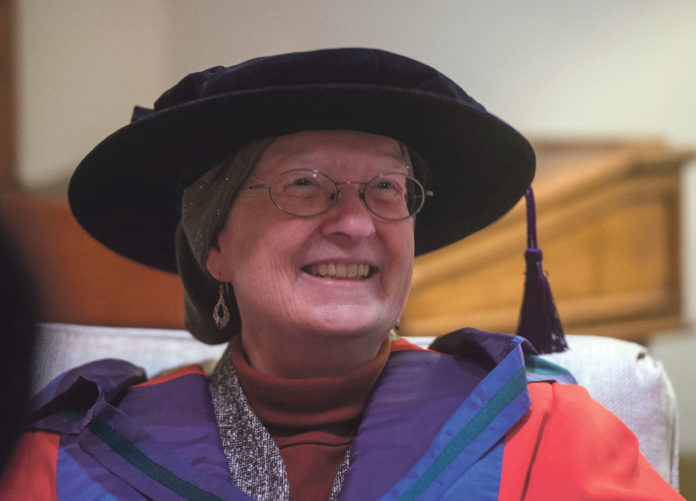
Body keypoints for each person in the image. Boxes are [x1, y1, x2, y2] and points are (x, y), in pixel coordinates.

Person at [0, 48, 683, 500]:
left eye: (386, 189)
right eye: (304, 184)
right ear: (216, 245)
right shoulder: (72, 460)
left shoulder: (543, 430)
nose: (355, 223)